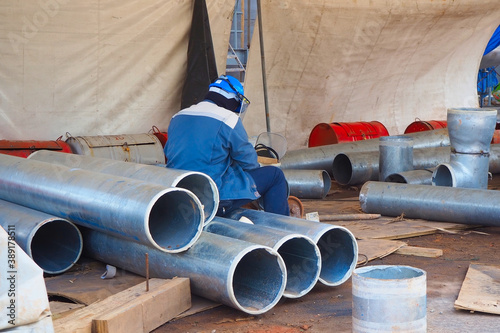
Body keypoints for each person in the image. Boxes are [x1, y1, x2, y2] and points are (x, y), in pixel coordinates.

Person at [165, 74, 290, 216]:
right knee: (275, 175)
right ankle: (282, 227)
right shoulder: (228, 119)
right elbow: (249, 163)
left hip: (177, 193)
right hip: (210, 197)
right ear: (232, 99)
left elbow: (171, 153)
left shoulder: (178, 116)